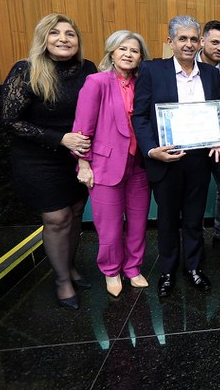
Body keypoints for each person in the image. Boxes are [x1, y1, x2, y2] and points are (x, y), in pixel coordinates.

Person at [2, 13, 97, 309]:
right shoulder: (26, 70)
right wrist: (60, 138)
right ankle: (61, 280)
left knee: (76, 212)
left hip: (75, 157)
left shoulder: (87, 69)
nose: (63, 39)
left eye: (70, 34)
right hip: (38, 159)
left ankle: (69, 266)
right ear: (43, 39)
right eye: (55, 33)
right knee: (57, 218)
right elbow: (11, 120)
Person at [132, 15, 220, 298]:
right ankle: (167, 270)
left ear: (200, 42)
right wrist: (152, 150)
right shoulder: (152, 70)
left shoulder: (211, 74)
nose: (188, 44)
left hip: (199, 160)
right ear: (170, 41)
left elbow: (218, 111)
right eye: (182, 39)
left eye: (193, 39)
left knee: (195, 217)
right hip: (166, 159)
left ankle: (194, 266)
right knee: (167, 219)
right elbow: (139, 116)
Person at [73, 30, 152, 297]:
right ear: (112, 52)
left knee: (138, 222)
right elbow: (82, 128)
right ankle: (111, 270)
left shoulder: (143, 84)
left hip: (139, 165)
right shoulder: (96, 82)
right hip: (105, 166)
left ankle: (133, 268)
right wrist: (84, 164)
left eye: (134, 50)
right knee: (109, 226)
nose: (128, 54)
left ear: (141, 57)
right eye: (123, 49)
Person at [198, 20, 220, 246]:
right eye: (215, 42)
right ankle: (194, 237)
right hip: (191, 140)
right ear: (202, 41)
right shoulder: (187, 63)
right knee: (194, 191)